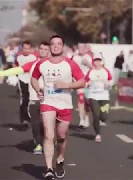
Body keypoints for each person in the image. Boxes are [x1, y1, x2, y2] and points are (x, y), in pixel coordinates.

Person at [31, 35, 85, 180]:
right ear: (50, 46)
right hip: (48, 102)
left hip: (65, 104)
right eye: (53, 44)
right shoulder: (42, 63)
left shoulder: (70, 64)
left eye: (58, 44)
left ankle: (60, 159)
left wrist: (66, 85)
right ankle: (49, 168)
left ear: (63, 46)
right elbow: (34, 78)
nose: (55, 46)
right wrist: (38, 90)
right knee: (49, 135)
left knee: (61, 136)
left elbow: (82, 82)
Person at [0, 42, 50, 154]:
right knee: (35, 123)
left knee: (47, 124)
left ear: (49, 51)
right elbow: (17, 70)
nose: (42, 51)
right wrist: (1, 73)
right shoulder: (32, 64)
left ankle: (49, 141)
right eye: (41, 48)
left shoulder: (54, 65)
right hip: (35, 98)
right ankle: (38, 144)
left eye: (45, 49)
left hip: (50, 100)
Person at [85, 52, 112, 142]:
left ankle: (101, 120)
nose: (97, 62)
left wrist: (108, 84)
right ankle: (98, 134)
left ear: (101, 61)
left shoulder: (106, 71)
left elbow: (111, 81)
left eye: (98, 60)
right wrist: (88, 84)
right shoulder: (90, 72)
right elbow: (85, 82)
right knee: (96, 115)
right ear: (93, 61)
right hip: (93, 96)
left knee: (103, 117)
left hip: (104, 97)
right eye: (95, 60)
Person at [13, 40, 39, 128]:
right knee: (24, 98)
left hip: (31, 79)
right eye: (25, 48)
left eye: (28, 49)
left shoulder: (34, 56)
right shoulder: (18, 56)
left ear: (30, 49)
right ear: (22, 48)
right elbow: (15, 65)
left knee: (32, 99)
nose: (26, 50)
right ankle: (24, 118)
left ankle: (31, 116)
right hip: (22, 79)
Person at [72, 43, 93, 128]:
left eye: (82, 47)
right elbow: (71, 68)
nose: (80, 49)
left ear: (85, 49)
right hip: (78, 81)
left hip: (88, 81)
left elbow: (94, 68)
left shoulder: (88, 57)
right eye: (79, 47)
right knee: (80, 100)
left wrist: (88, 64)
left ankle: (87, 118)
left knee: (87, 102)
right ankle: (81, 119)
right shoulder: (75, 57)